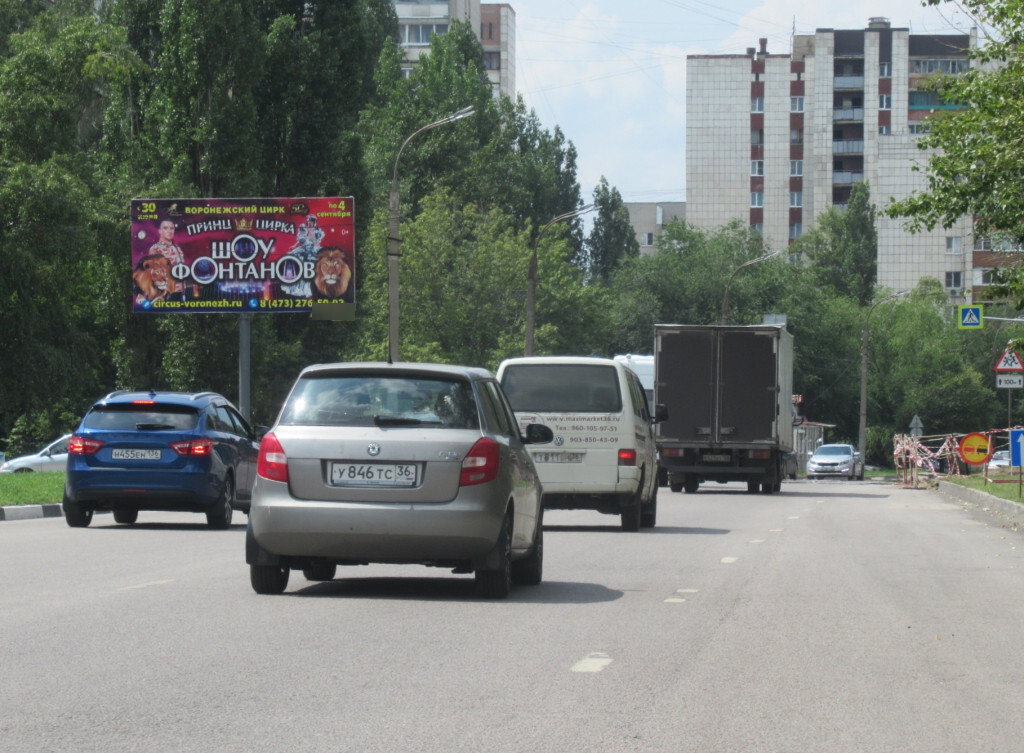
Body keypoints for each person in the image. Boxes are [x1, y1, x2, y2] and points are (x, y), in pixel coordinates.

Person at [281, 215, 324, 298]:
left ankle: (314, 289)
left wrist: (312, 234)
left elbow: (316, 243)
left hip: (313, 250)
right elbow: (301, 241)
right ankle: (296, 284)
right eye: (308, 222)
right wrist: (295, 245)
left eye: (311, 222)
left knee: (312, 270)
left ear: (314, 223)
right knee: (294, 260)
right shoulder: (303, 229)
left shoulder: (317, 231)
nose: (310, 224)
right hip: (304, 249)